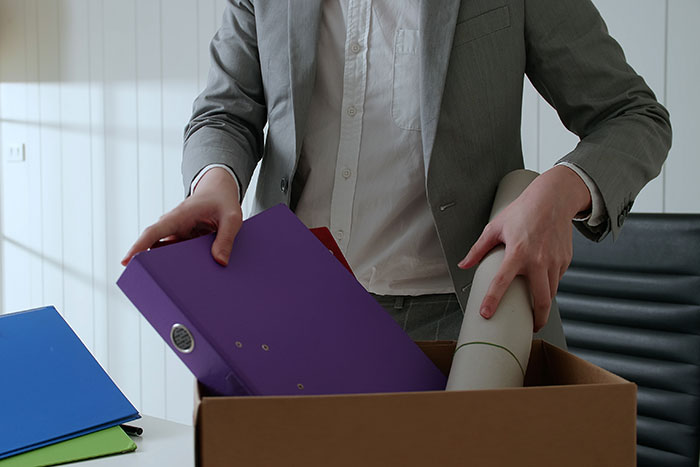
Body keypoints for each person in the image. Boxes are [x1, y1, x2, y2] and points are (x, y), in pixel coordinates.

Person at [122, 0, 671, 344]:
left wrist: (560, 190)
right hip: (293, 316)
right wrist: (217, 179)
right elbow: (225, 110)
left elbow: (632, 116)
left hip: (463, 328)